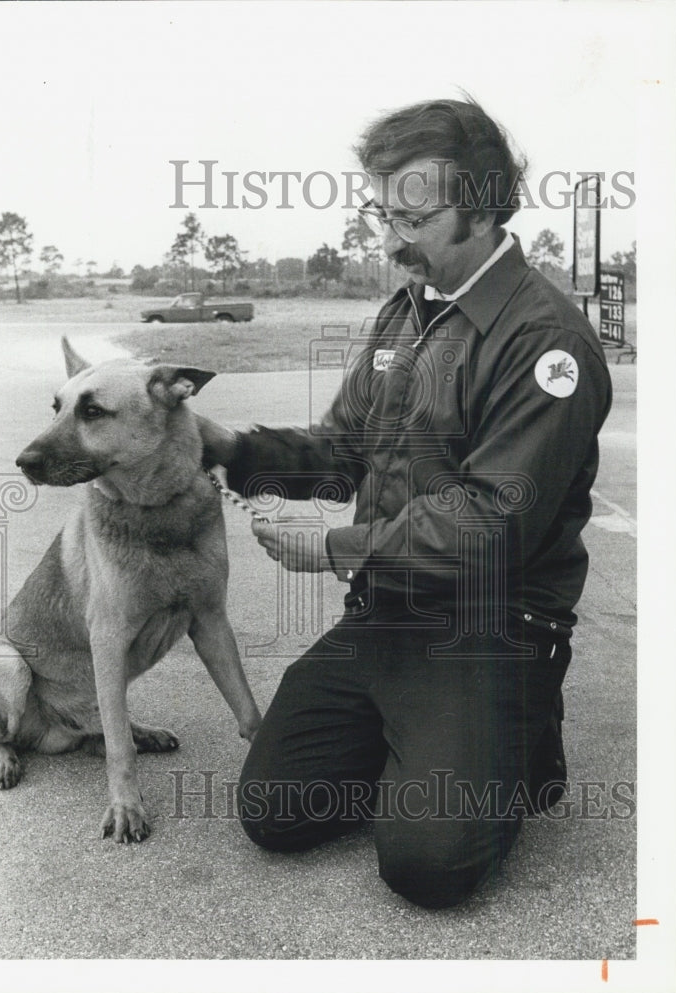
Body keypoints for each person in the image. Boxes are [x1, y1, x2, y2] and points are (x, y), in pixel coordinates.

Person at [199, 98, 612, 908]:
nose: (389, 239)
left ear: (484, 206)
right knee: (274, 812)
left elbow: (490, 524)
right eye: (380, 211)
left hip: (490, 628)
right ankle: (431, 748)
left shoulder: (544, 342)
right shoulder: (405, 314)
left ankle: (511, 745)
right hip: (384, 616)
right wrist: (229, 450)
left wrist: (333, 549)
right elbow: (343, 448)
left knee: (426, 866)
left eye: (412, 216)